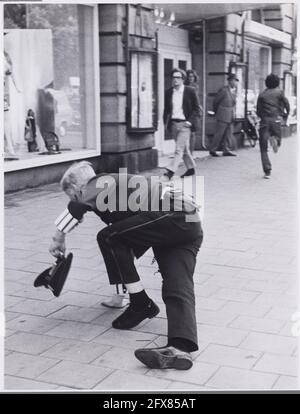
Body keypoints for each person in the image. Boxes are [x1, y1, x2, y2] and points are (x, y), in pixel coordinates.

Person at [49, 162, 203, 370]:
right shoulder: (121, 189)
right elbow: (124, 246)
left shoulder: (100, 182)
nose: (82, 205)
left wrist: (58, 237)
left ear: (79, 188)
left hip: (171, 214)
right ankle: (179, 348)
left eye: (74, 196)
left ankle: (140, 303)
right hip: (188, 221)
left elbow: (78, 207)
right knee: (177, 284)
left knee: (109, 237)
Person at [163, 68, 201, 180]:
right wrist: (166, 123)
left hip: (185, 125)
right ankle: (191, 169)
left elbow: (196, 109)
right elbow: (166, 109)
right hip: (174, 124)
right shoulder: (169, 92)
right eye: (174, 77)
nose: (175, 80)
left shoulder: (190, 91)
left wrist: (189, 122)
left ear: (183, 79)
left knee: (178, 149)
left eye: (178, 78)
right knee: (184, 150)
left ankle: (170, 172)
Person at [256, 73, 290, 179]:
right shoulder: (280, 92)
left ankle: (267, 171)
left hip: (265, 121)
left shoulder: (262, 94)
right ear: (277, 82)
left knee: (263, 147)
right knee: (277, 136)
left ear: (266, 82)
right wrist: (285, 115)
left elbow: (258, 110)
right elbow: (287, 104)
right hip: (276, 119)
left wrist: (262, 117)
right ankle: (276, 140)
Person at [209, 73, 238, 157]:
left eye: (236, 81)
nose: (236, 83)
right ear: (230, 81)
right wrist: (217, 112)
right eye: (235, 81)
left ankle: (227, 149)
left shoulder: (234, 91)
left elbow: (233, 103)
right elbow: (216, 101)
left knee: (229, 133)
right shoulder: (223, 90)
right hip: (222, 115)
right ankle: (213, 149)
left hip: (230, 115)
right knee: (219, 133)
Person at [185, 69, 203, 154]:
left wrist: (199, 107)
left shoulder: (195, 86)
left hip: (193, 111)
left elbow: (196, 99)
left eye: (192, 76)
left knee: (192, 133)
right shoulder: (184, 86)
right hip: (185, 110)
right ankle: (185, 152)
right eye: (189, 76)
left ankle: (191, 152)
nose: (190, 78)